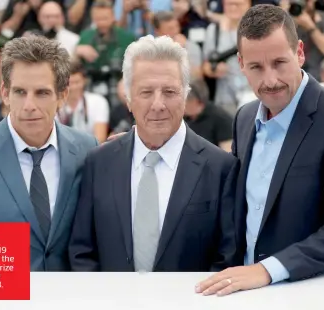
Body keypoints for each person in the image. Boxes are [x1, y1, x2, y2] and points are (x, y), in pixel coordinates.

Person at [195, 4, 324, 296]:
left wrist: (266, 271)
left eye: (279, 62)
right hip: (249, 293)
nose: (269, 80)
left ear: (300, 53)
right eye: (256, 67)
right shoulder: (244, 118)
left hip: (323, 294)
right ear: (241, 64)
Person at [68, 35, 238, 272]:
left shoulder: (221, 168)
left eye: (169, 91)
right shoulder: (99, 163)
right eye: (146, 92)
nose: (158, 104)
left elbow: (226, 258)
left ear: (185, 95)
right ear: (128, 99)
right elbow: (82, 252)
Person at [0, 35, 98, 271]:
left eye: (42, 93)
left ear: (62, 95)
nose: (29, 105)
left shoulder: (87, 149)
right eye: (20, 92)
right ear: (5, 93)